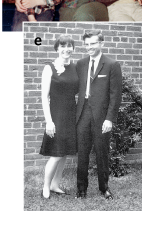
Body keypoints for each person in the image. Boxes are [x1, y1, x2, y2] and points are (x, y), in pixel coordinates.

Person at [76, 30, 122, 199]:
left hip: (102, 116)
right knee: (82, 152)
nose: (89, 47)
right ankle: (81, 189)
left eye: (93, 43)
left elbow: (115, 95)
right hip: (82, 113)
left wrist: (109, 118)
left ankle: (104, 188)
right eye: (87, 44)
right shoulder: (80, 64)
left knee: (102, 153)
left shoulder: (111, 64)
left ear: (101, 43)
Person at [39, 35, 79, 199]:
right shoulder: (49, 67)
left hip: (71, 113)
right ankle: (46, 187)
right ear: (57, 48)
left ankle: (56, 184)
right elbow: (44, 97)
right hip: (56, 114)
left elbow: (77, 90)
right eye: (63, 46)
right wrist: (49, 121)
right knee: (56, 154)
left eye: (69, 46)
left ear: (73, 48)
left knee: (65, 152)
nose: (66, 49)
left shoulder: (75, 67)